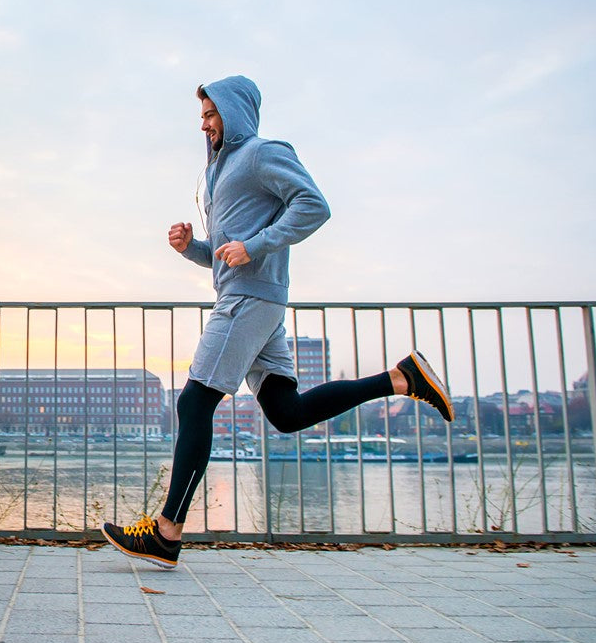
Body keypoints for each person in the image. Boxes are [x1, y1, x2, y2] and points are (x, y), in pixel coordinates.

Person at [100, 75, 453, 569]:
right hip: (250, 296)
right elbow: (227, 256)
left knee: (194, 401)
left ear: (234, 110)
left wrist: (256, 245)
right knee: (286, 413)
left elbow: (314, 205)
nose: (203, 126)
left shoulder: (264, 153)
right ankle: (401, 377)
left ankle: (166, 533)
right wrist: (191, 249)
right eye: (201, 117)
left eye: (210, 114)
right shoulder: (216, 174)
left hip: (248, 301)